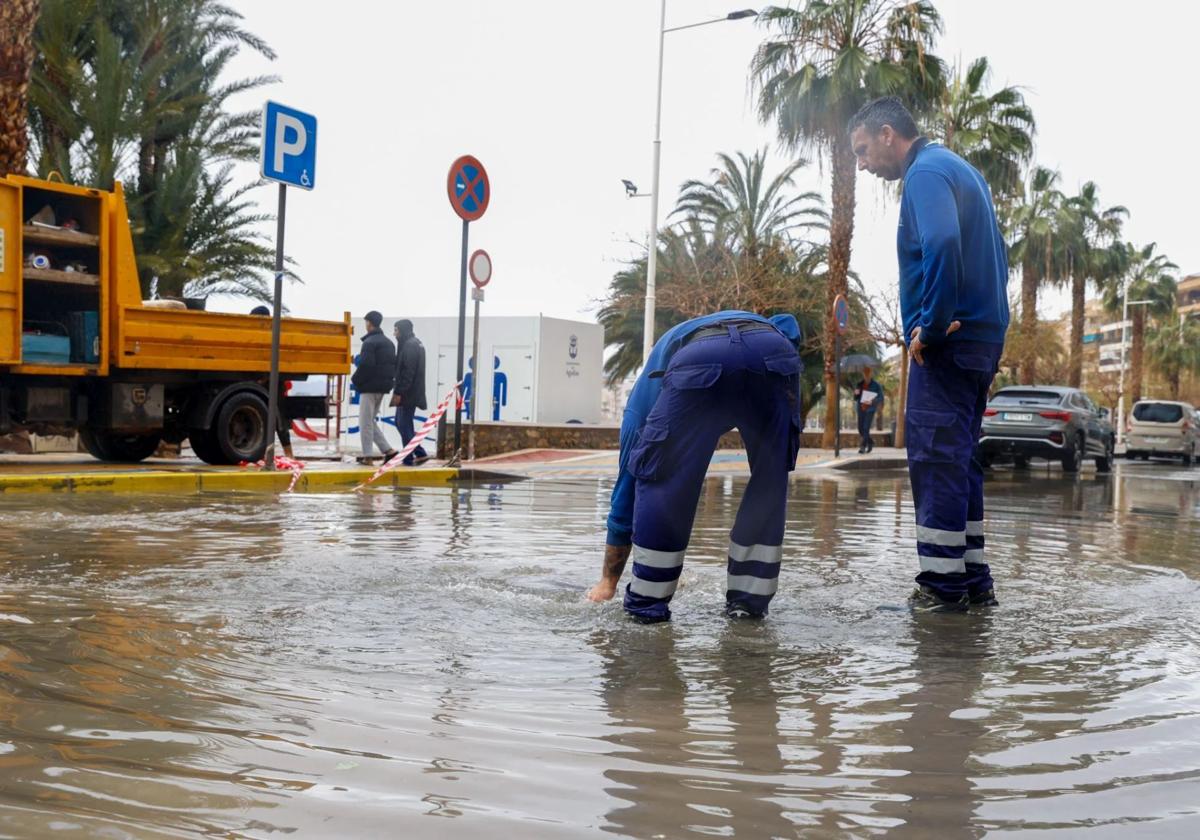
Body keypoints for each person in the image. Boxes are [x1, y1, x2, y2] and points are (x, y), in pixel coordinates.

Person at [849, 96, 1009, 612]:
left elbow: (940, 242)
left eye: (863, 150)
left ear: (889, 134)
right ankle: (973, 579)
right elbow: (999, 257)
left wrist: (931, 328)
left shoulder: (924, 174)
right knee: (960, 457)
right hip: (981, 338)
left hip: (950, 342)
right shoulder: (962, 170)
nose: (863, 164)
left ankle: (942, 592)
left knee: (936, 457)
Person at [586, 311, 803, 623]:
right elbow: (789, 325)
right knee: (771, 478)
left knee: (659, 474)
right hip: (776, 355)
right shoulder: (764, 324)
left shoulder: (644, 394)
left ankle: (648, 610)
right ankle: (748, 608)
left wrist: (608, 582)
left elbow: (628, 487)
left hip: (701, 360)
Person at [351, 310, 398, 464]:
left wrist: (355, 380)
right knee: (370, 420)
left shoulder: (369, 342)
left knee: (364, 422)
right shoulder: (389, 343)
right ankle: (388, 450)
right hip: (383, 387)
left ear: (369, 323)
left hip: (369, 387)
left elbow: (366, 365)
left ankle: (368, 457)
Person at [250, 304, 295, 458]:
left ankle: (289, 454)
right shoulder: (263, 335)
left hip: (274, 383)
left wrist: (265, 379)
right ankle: (277, 454)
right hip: (266, 382)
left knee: (279, 420)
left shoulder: (274, 335)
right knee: (271, 419)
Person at [390, 319, 429, 466]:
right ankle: (419, 452)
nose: (394, 334)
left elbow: (408, 372)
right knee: (402, 423)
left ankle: (408, 457)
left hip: (408, 392)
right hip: (412, 391)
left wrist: (399, 392)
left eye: (396, 330)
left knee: (403, 423)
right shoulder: (415, 343)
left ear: (403, 330)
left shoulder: (410, 346)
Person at [854, 366, 884, 453]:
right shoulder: (859, 384)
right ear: (863, 374)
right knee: (860, 428)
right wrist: (856, 392)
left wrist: (874, 400)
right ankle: (870, 442)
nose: (866, 375)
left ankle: (863, 446)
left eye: (868, 373)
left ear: (871, 374)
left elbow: (880, 397)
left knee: (866, 428)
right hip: (860, 408)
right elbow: (855, 398)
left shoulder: (876, 385)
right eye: (865, 373)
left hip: (870, 409)